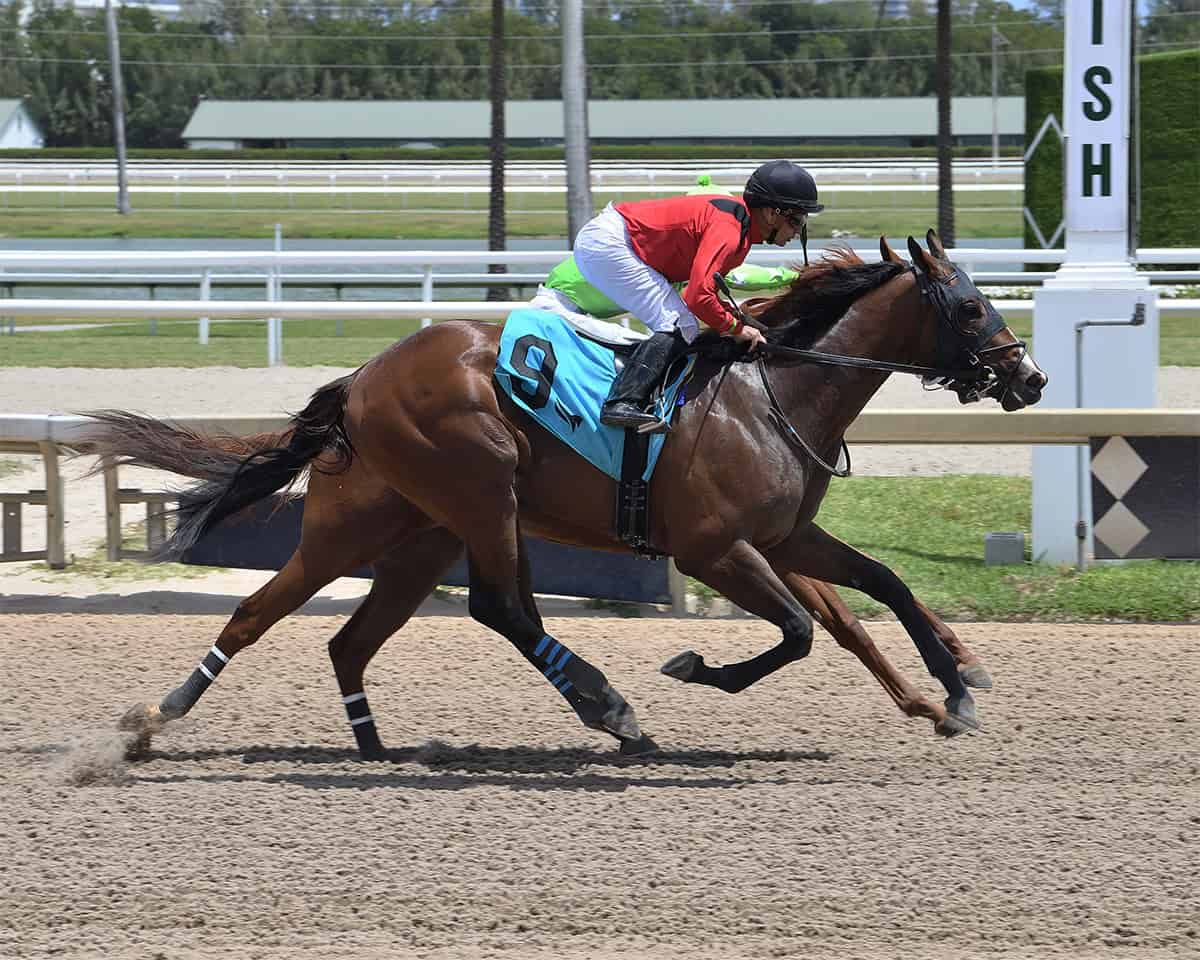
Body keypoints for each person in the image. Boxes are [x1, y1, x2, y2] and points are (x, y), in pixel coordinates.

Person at [538, 160, 824, 431]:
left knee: (683, 322)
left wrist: (733, 319)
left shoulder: (740, 232)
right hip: (609, 245)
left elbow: (699, 292)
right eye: (797, 220)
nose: (797, 232)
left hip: (612, 240)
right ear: (772, 213)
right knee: (677, 323)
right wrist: (736, 328)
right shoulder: (730, 231)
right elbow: (697, 297)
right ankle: (622, 401)